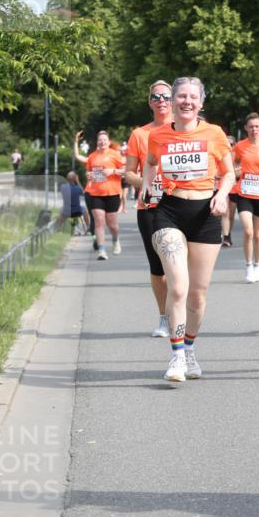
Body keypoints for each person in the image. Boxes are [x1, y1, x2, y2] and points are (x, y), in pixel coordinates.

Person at [142, 76, 235, 382]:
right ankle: (177, 356)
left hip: (206, 213)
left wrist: (221, 195)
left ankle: (190, 348)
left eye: (192, 97)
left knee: (197, 294)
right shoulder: (158, 136)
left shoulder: (214, 133)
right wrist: (146, 187)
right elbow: (151, 162)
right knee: (178, 286)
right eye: (180, 96)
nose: (186, 101)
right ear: (171, 100)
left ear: (201, 102)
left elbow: (229, 174)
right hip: (169, 212)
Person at [126, 80, 173, 339]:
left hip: (183, 202)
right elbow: (128, 173)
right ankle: (164, 317)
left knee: (181, 264)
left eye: (166, 95)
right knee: (159, 267)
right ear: (150, 102)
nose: (162, 100)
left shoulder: (188, 129)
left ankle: (181, 315)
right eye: (156, 96)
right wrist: (146, 184)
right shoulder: (139, 134)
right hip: (151, 204)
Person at [232, 112, 259, 282]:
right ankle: (248, 265)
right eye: (250, 127)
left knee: (258, 235)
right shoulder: (240, 146)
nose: (254, 129)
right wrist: (235, 171)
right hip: (245, 193)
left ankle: (257, 265)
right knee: (248, 231)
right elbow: (231, 164)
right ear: (245, 128)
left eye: (257, 126)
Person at [84, 130, 126, 260]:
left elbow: (126, 170)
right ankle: (101, 251)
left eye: (104, 140)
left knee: (112, 225)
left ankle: (115, 240)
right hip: (95, 193)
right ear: (97, 142)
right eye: (99, 140)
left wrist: (113, 171)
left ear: (108, 142)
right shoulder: (92, 157)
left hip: (112, 193)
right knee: (99, 221)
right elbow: (90, 173)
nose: (102, 142)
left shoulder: (115, 155)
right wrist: (89, 175)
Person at [220, 135, 237, 247]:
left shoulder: (237, 153)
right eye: (227, 143)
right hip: (223, 185)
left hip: (235, 187)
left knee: (231, 214)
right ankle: (226, 236)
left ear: (234, 145)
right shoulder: (221, 152)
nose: (229, 146)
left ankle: (228, 233)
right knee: (225, 213)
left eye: (231, 144)